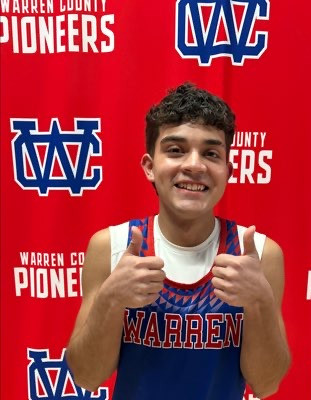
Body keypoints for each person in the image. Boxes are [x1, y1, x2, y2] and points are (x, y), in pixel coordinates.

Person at [66, 83, 291, 399]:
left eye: (211, 153)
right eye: (175, 150)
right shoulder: (110, 246)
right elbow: (86, 376)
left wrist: (260, 302)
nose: (194, 165)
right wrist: (110, 300)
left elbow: (266, 385)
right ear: (150, 166)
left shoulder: (259, 255)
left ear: (227, 171)